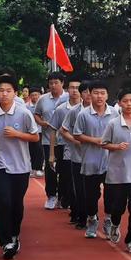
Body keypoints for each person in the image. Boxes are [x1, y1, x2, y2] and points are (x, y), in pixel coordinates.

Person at [0, 75, 39, 259]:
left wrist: (17, 134)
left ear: (15, 93)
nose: (4, 94)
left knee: (16, 204)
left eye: (9, 91)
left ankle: (14, 233)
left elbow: (35, 137)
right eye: (1, 91)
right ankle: (6, 241)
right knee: (4, 201)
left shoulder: (24, 113)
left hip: (20, 165)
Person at [102, 89, 131, 253]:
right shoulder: (113, 124)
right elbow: (104, 143)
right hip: (117, 173)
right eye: (125, 101)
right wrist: (116, 146)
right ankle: (115, 223)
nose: (129, 104)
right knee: (119, 207)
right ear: (120, 103)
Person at [73, 80, 119, 239]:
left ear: (107, 95)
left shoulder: (114, 113)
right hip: (90, 161)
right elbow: (77, 134)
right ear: (89, 94)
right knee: (91, 196)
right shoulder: (83, 114)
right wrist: (95, 140)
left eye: (102, 93)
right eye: (96, 93)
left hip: (110, 162)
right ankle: (92, 219)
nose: (99, 96)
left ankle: (108, 219)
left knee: (111, 194)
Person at [34, 72, 68, 209]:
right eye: (51, 83)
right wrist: (42, 123)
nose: (53, 85)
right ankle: (51, 196)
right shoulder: (43, 99)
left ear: (62, 83)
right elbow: (36, 114)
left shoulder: (68, 97)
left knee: (65, 170)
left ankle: (63, 197)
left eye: (56, 83)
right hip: (49, 140)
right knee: (50, 169)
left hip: (66, 141)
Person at [60, 81, 91, 229]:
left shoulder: (108, 112)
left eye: (93, 92)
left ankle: (92, 214)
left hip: (99, 158)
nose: (89, 95)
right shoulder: (74, 111)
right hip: (78, 156)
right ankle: (82, 217)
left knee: (93, 191)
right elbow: (63, 130)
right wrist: (75, 140)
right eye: (85, 92)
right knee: (79, 189)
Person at [48, 77, 81, 211]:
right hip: (63, 146)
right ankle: (65, 199)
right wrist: (51, 154)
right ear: (67, 90)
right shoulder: (61, 109)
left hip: (83, 149)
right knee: (65, 176)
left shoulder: (87, 108)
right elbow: (53, 130)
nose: (75, 91)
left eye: (78, 88)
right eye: (72, 88)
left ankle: (76, 204)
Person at [26, 87, 44, 177]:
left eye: (36, 94)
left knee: (40, 149)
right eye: (32, 95)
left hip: (41, 130)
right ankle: (32, 168)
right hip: (30, 132)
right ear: (30, 96)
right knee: (31, 150)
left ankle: (39, 168)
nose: (35, 97)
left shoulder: (43, 105)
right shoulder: (26, 106)